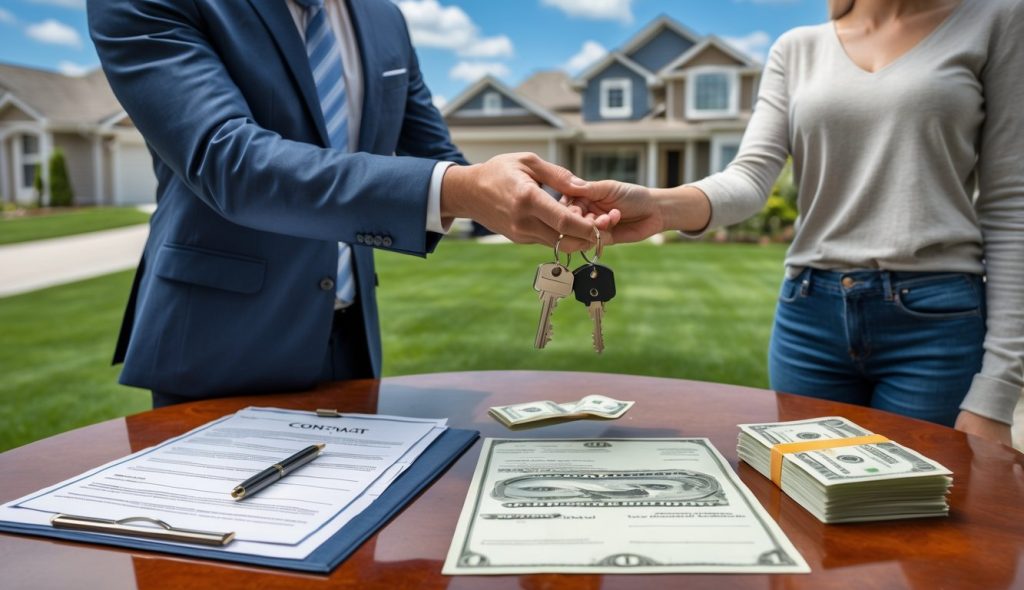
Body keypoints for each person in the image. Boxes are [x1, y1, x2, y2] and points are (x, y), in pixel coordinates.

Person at [87, 0, 596, 407]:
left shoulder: (384, 18)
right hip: (216, 346)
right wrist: (460, 188)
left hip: (350, 338)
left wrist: (565, 200)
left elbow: (439, 157)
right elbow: (230, 163)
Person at [565, 0, 1023, 446]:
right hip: (810, 316)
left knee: (917, 514)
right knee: (805, 508)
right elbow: (749, 177)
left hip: (935, 323)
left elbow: (1011, 204)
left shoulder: (996, 19)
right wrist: (660, 207)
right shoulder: (798, 47)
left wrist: (997, 392)